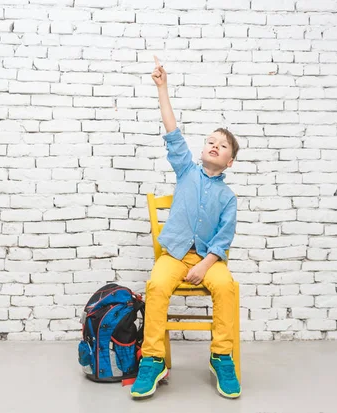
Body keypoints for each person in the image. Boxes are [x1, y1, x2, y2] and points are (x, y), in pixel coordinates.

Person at [130, 56, 241, 400]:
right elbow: (172, 132)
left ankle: (221, 355)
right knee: (156, 285)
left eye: (222, 146)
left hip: (208, 260)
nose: (214, 146)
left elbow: (223, 239)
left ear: (229, 161)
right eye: (211, 141)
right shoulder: (187, 171)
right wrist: (162, 88)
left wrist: (207, 264)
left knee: (226, 287)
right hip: (174, 254)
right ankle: (153, 358)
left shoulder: (228, 197)